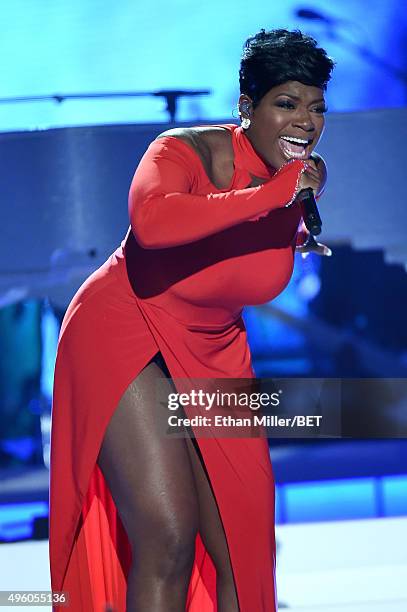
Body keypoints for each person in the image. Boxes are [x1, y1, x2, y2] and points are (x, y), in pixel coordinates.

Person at [49, 28, 335, 612]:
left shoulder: (303, 179)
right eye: (286, 103)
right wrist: (275, 196)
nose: (305, 121)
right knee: (170, 538)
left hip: (216, 350)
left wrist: (292, 209)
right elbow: (153, 224)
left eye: (316, 107)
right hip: (124, 327)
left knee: (245, 547)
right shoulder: (183, 150)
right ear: (245, 108)